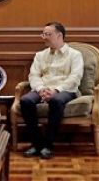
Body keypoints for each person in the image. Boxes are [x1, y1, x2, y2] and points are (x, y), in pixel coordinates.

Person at [20, 22, 83, 160]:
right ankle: (37, 144)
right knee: (25, 101)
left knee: (56, 101)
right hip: (42, 88)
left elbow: (75, 77)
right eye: (43, 34)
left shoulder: (75, 55)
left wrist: (56, 90)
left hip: (65, 89)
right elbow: (34, 75)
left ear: (59, 35)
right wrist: (41, 89)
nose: (44, 37)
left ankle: (48, 145)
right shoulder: (40, 55)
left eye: (47, 34)